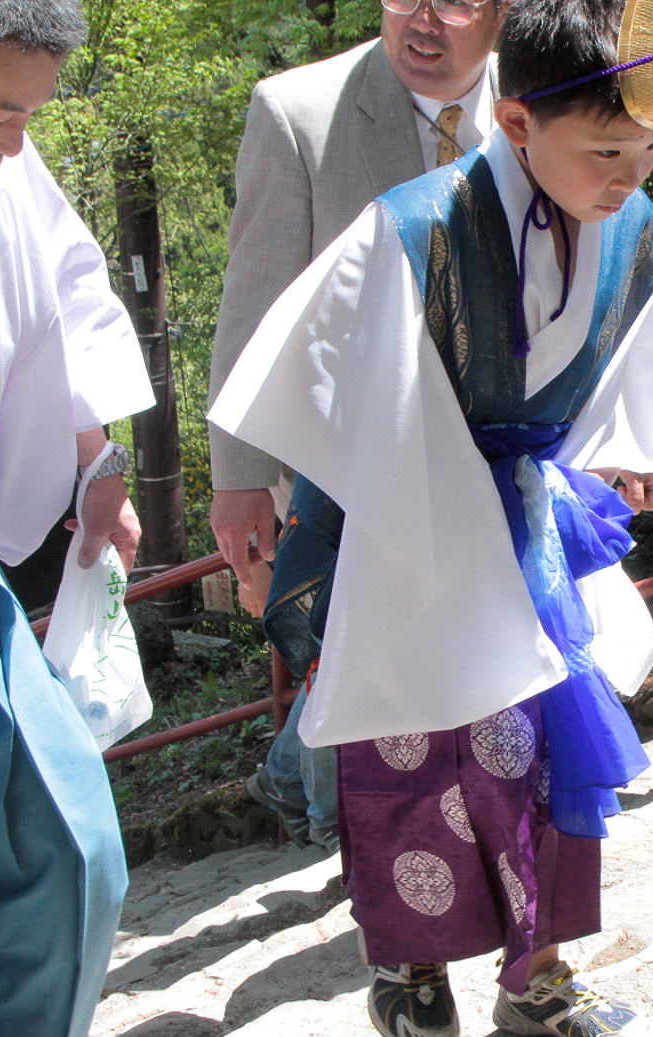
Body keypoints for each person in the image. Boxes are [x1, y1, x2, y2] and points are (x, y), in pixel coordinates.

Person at [210, 0, 653, 1037]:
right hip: (405, 510)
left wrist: (625, 443)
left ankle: (538, 968)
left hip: (528, 512)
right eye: (606, 150)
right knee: (412, 742)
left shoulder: (635, 226)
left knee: (543, 745)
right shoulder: (411, 225)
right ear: (516, 123)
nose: (629, 177)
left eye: (649, 151)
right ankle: (410, 952)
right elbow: (327, 377)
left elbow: (623, 353)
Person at [208, 0, 508, 850]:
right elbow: (253, 304)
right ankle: (363, 852)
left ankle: (315, 784)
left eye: (454, 1)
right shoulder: (298, 114)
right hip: (346, 461)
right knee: (361, 654)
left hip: (492, 446)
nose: (421, 21)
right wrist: (238, 478)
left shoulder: (543, 99)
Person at [0, 0, 157, 1037]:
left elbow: (66, 291)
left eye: (30, 114)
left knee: (69, 850)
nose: (14, 143)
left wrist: (101, 466)